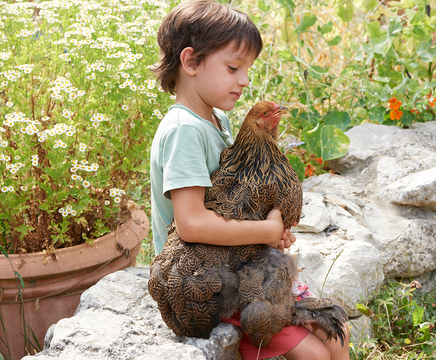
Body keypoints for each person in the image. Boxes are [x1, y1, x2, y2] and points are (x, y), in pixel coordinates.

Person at [149, 1, 349, 359]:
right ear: (191, 62)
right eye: (233, 68)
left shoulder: (216, 122)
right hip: (208, 280)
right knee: (316, 353)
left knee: (338, 331)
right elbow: (191, 224)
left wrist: (272, 226)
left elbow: (239, 199)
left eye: (247, 70)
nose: (244, 80)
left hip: (240, 262)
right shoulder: (184, 133)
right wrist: (266, 233)